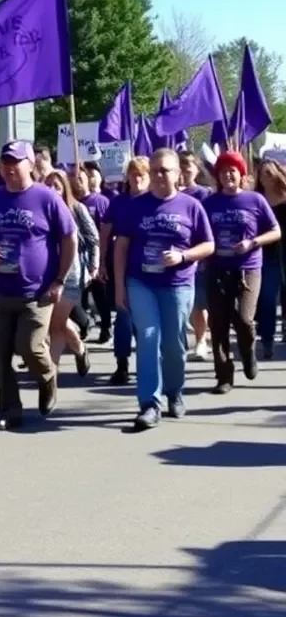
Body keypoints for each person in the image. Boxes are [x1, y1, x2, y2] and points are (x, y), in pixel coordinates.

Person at [0, 141, 76, 431]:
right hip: (0, 290)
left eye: (15, 161)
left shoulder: (46, 198)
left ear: (30, 163)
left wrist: (59, 280)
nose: (9, 167)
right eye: (5, 162)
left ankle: (47, 377)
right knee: (1, 353)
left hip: (37, 292)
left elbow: (69, 238)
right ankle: (8, 409)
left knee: (29, 346)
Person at [114, 149, 214, 431]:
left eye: (165, 170)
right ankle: (149, 403)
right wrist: (119, 285)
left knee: (174, 344)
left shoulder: (191, 206)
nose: (159, 175)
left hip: (178, 283)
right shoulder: (136, 206)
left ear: (178, 174)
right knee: (148, 337)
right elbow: (121, 246)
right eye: (155, 170)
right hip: (141, 281)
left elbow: (209, 245)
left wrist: (183, 256)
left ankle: (175, 391)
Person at [202, 151, 280, 393]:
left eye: (232, 170)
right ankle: (224, 376)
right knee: (219, 323)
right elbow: (199, 234)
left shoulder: (255, 200)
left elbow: (276, 231)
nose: (228, 175)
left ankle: (248, 352)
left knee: (245, 319)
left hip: (248, 268)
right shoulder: (210, 203)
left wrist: (253, 242)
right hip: (216, 269)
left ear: (241, 174)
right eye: (223, 171)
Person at [100, 158, 150, 386]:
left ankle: (146, 364)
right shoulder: (118, 203)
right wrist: (101, 262)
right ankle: (122, 365)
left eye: (142, 174)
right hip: (121, 267)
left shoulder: (154, 202)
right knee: (123, 317)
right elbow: (105, 233)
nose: (137, 179)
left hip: (149, 268)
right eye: (133, 174)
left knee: (145, 321)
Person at [43, 170, 99, 374]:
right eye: (47, 185)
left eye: (56, 186)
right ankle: (80, 348)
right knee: (54, 321)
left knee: (56, 325)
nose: (51, 190)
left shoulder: (76, 209)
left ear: (65, 188)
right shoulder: (40, 210)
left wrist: (94, 265)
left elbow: (93, 239)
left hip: (71, 273)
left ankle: (51, 372)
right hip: (46, 273)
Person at [180, 152, 213, 361]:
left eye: (188, 166)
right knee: (185, 305)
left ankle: (201, 341)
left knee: (199, 303)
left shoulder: (204, 194)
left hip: (199, 255)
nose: (184, 171)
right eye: (180, 166)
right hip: (176, 257)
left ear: (197, 169)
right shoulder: (169, 193)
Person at [255, 159, 286, 358]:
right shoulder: (257, 199)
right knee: (267, 297)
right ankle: (266, 338)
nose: (265, 176)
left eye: (269, 172)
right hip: (267, 254)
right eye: (262, 173)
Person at [79, 163, 112, 343]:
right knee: (79, 296)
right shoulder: (71, 202)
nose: (78, 182)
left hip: (95, 256)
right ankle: (83, 325)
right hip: (77, 258)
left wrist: (101, 259)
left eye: (81, 178)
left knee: (100, 295)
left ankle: (106, 327)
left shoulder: (100, 201)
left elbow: (105, 230)